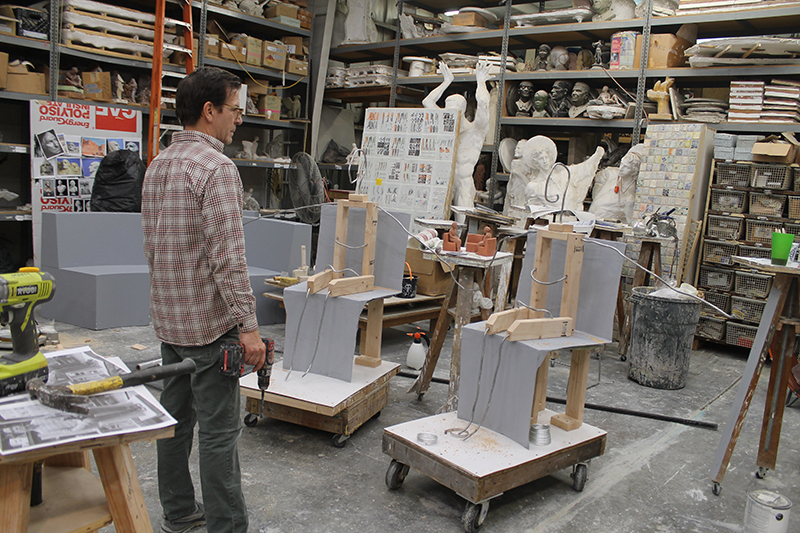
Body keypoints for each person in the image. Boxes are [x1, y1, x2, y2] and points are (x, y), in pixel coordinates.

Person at [141, 66, 266, 533]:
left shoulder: (159, 163)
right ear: (210, 110)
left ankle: (177, 512)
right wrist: (248, 327)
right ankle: (227, 526)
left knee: (173, 424)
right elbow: (227, 259)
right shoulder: (217, 168)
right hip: (209, 329)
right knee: (219, 434)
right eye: (236, 110)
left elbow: (154, 245)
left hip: (169, 322)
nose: (240, 120)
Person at [422, 61, 491, 223]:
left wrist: (481, 82)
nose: (449, 115)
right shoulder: (446, 124)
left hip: (463, 182)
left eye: (454, 111)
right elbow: (427, 102)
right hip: (443, 180)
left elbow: (483, 105)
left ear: (463, 111)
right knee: (434, 223)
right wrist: (446, 81)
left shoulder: (475, 131)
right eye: (447, 110)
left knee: (461, 225)